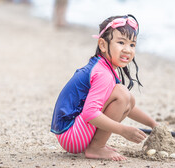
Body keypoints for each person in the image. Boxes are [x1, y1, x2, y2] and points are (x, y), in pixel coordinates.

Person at [50, 15, 158, 161]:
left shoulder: (103, 67)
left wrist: (153, 124)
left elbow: (129, 107)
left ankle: (97, 144)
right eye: (121, 42)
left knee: (128, 99)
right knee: (122, 93)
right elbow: (89, 113)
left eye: (132, 45)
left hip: (70, 132)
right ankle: (96, 147)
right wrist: (123, 131)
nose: (127, 50)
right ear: (102, 45)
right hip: (71, 135)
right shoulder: (102, 73)